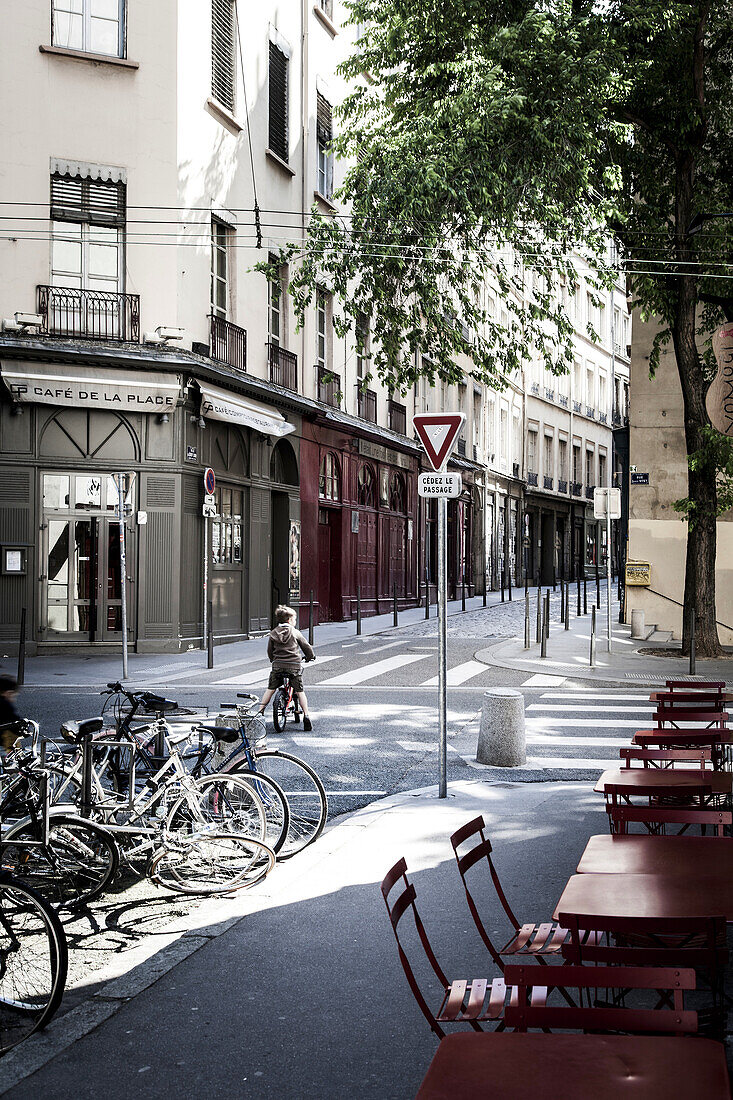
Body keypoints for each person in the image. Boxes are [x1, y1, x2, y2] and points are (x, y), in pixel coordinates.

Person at [258, 605, 315, 731]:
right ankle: (306, 715)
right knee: (300, 691)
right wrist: (310, 656)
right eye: (294, 619)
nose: (295, 621)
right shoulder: (295, 632)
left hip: (278, 666)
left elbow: (270, 651)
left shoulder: (273, 633)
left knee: (270, 689)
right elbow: (306, 647)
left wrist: (273, 660)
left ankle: (259, 713)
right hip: (293, 666)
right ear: (289, 620)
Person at [0, 674, 22, 754]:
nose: (13, 697)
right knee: (12, 737)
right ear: (7, 693)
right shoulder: (5, 705)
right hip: (4, 740)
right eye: (13, 694)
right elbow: (15, 720)